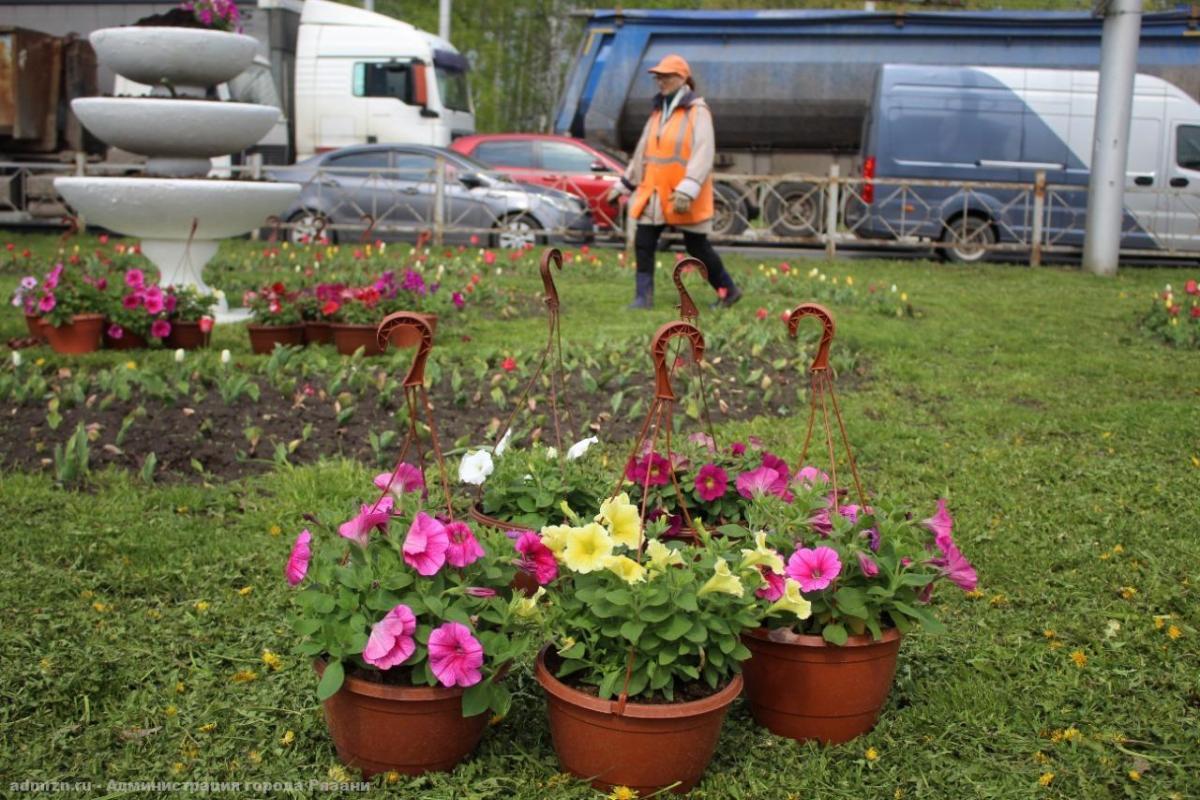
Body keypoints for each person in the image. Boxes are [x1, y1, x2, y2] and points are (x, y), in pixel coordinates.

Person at [607, 54, 742, 310]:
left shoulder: (697, 111)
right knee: (644, 241)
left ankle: (729, 291)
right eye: (659, 77)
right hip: (655, 192)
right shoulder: (658, 111)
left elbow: (703, 151)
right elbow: (643, 152)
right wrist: (624, 185)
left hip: (683, 194)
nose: (661, 81)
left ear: (683, 78)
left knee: (697, 246)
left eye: (667, 76)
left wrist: (688, 189)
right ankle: (642, 298)